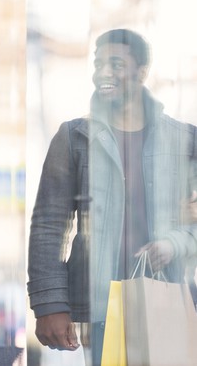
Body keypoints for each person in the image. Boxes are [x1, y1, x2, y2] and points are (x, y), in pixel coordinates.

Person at [27, 28, 197, 365]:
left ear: (142, 72)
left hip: (172, 297)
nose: (104, 72)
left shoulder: (185, 140)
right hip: (101, 305)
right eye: (99, 63)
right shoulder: (74, 136)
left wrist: (177, 239)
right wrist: (49, 304)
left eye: (116, 64)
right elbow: (49, 226)